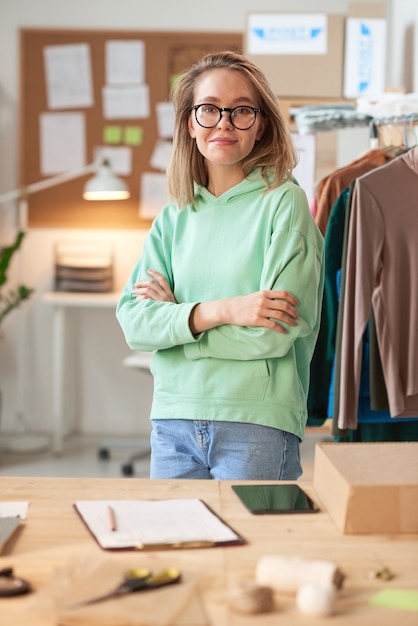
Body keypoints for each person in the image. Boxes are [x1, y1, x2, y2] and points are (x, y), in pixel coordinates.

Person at [116, 50, 324, 480]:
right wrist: (222, 311)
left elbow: (272, 336)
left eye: (241, 110)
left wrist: (177, 329)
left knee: (257, 549)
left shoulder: (285, 204)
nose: (224, 123)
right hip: (173, 419)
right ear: (191, 123)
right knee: (176, 546)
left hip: (257, 422)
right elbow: (136, 324)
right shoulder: (175, 214)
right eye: (209, 109)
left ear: (261, 123)